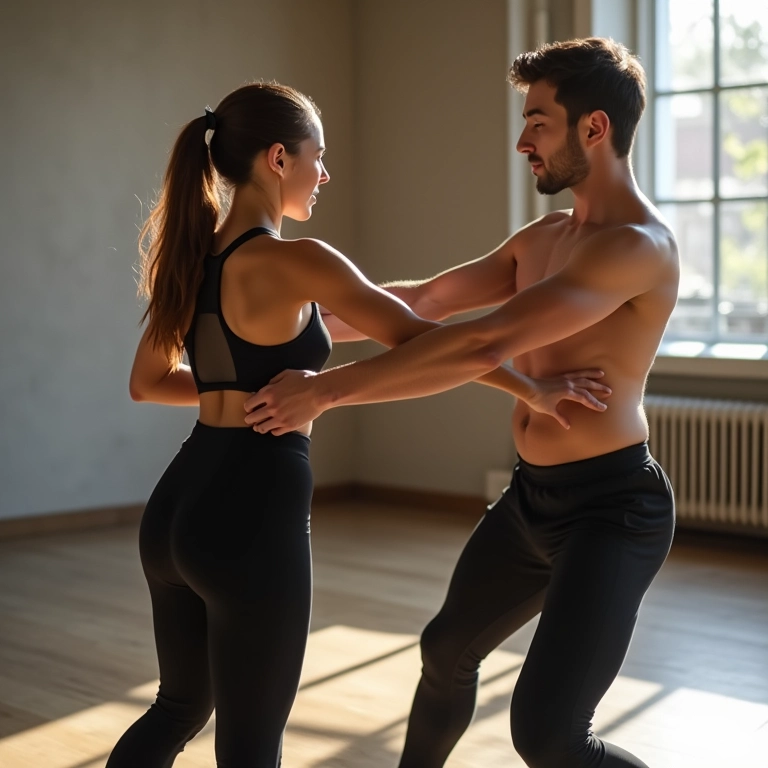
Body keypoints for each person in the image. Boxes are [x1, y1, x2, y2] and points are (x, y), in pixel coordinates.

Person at [108, 81, 611, 768]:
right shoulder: (299, 260)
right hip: (250, 511)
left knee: (175, 709)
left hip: (174, 510)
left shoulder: (194, 258)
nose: (326, 174)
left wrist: (240, 387)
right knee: (251, 743)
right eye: (319, 156)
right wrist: (531, 388)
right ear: (278, 159)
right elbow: (419, 339)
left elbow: (146, 383)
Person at [245, 38, 679, 768]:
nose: (522, 142)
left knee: (547, 734)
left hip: (613, 511)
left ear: (594, 128)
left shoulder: (635, 248)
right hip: (532, 499)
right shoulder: (544, 236)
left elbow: (483, 343)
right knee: (445, 651)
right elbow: (421, 302)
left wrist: (325, 392)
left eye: (538, 122)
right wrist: (250, 326)